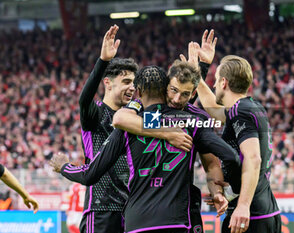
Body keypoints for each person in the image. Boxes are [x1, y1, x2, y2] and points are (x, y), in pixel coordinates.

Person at [50, 65, 241, 233]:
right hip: (177, 221)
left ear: (138, 92)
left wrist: (64, 166)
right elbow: (231, 157)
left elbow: (90, 173)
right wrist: (230, 189)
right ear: (166, 89)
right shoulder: (192, 122)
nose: (177, 97)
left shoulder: (129, 126)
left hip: (137, 220)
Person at [112, 30, 226, 233]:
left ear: (192, 92)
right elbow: (120, 118)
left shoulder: (195, 118)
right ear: (165, 86)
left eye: (183, 94)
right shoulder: (150, 110)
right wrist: (167, 133)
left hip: (183, 210)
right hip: (146, 209)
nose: (175, 99)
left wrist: (217, 191)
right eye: (172, 90)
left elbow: (211, 164)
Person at [195, 55, 281, 233]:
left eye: (217, 80)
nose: (214, 85)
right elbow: (215, 110)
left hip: (250, 216)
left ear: (224, 82)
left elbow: (253, 158)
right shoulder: (250, 106)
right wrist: (196, 75)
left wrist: (242, 205)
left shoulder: (239, 111)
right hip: (264, 211)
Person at [75, 25, 138, 233]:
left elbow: (172, 112)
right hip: (100, 209)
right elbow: (84, 99)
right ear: (107, 83)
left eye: (134, 83)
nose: (132, 87)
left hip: (130, 208)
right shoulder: (95, 115)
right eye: (127, 81)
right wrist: (103, 61)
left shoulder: (133, 118)